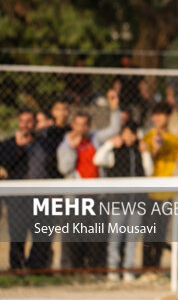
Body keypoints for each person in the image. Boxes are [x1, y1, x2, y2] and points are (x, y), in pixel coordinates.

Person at [57, 90, 121, 269]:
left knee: (97, 236)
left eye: (85, 125)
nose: (81, 128)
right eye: (78, 125)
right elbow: (64, 168)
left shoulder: (94, 138)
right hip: (76, 198)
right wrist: (72, 148)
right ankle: (75, 269)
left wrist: (114, 108)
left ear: (89, 126)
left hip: (97, 196)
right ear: (73, 126)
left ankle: (96, 268)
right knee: (75, 237)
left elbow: (114, 129)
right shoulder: (65, 145)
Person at [94, 120, 153, 282]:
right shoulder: (116, 151)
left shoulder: (138, 151)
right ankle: (112, 269)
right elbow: (97, 160)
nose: (129, 137)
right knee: (115, 237)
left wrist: (145, 152)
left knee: (132, 239)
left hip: (136, 203)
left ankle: (128, 270)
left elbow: (149, 171)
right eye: (126, 134)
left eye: (133, 134)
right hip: (118, 202)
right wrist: (109, 144)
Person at [0, 109, 51, 270]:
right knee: (17, 235)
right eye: (22, 121)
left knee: (42, 235)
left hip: (40, 195)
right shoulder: (8, 144)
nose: (26, 125)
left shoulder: (45, 144)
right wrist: (18, 147)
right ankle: (17, 268)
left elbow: (52, 167)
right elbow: (4, 167)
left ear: (35, 123)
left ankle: (36, 268)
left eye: (29, 121)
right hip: (18, 197)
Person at [142, 102, 178, 270]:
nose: (157, 118)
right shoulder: (148, 136)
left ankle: (156, 268)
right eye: (155, 114)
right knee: (148, 234)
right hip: (149, 192)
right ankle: (146, 268)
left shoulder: (174, 139)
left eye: (160, 114)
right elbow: (146, 164)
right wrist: (154, 148)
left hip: (167, 193)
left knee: (160, 233)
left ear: (168, 116)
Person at [113, 55, 151, 126]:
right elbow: (117, 84)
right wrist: (116, 95)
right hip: (123, 96)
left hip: (135, 95)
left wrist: (145, 94)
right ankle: (125, 124)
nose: (126, 61)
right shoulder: (119, 70)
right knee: (124, 109)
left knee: (145, 105)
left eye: (128, 59)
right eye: (125, 59)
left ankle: (141, 124)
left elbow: (141, 83)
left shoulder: (136, 69)